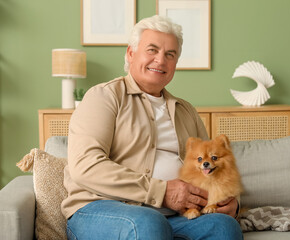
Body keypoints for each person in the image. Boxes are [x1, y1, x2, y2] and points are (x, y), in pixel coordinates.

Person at [62, 15, 243, 240]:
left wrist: (230, 202)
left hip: (175, 217)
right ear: (130, 53)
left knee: (224, 226)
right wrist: (161, 192)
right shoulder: (104, 97)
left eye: (170, 54)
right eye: (152, 50)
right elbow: (85, 166)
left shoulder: (186, 111)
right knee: (149, 223)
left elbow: (212, 170)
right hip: (100, 209)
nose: (160, 60)